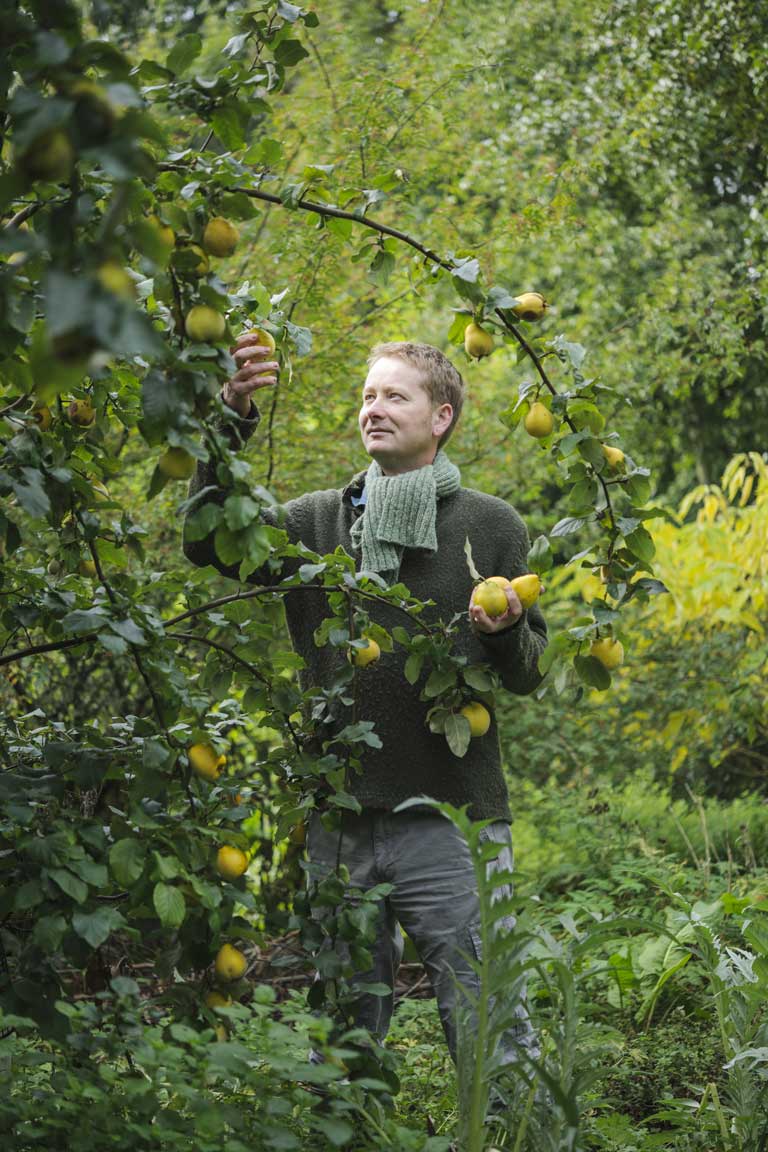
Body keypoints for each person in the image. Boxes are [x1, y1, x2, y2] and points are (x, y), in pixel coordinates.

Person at [182, 331, 548, 1076]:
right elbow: (203, 540)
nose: (372, 410)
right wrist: (231, 413)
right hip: (342, 821)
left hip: (454, 821)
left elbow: (529, 673)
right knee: (342, 1040)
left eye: (393, 396)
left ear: (440, 416)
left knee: (491, 1025)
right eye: (367, 396)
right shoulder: (315, 523)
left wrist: (508, 633)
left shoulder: (492, 525)